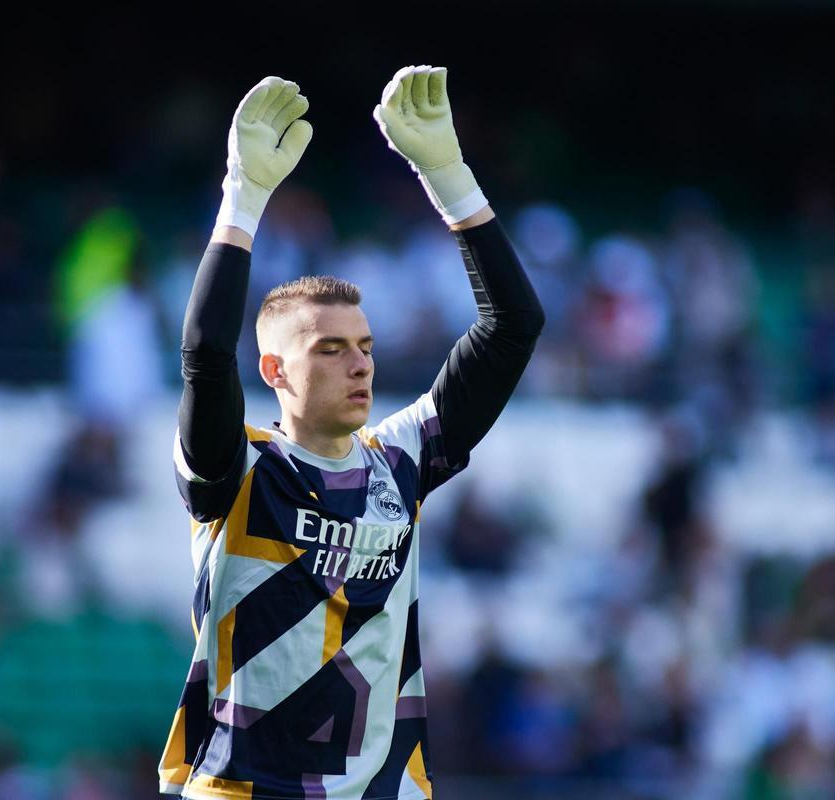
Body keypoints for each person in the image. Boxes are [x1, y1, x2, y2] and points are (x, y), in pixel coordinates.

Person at [158, 67, 543, 800]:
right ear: (274, 368)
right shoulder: (238, 472)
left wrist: (447, 173)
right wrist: (243, 198)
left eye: (365, 346)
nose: (358, 364)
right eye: (330, 350)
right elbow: (206, 357)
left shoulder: (401, 461)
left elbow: (513, 328)